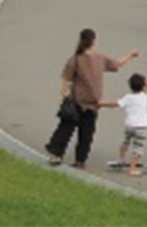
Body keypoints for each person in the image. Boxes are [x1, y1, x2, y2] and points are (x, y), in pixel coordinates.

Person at [45, 29, 139, 169]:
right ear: (93, 41)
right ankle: (80, 159)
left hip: (77, 101)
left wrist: (63, 97)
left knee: (66, 129)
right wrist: (131, 55)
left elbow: (66, 80)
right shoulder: (100, 58)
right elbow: (117, 64)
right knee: (86, 134)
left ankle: (57, 153)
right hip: (93, 103)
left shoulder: (75, 59)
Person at [100, 72, 147, 176]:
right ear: (144, 86)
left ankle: (121, 159)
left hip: (130, 125)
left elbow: (116, 104)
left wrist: (101, 104)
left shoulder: (128, 97)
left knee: (126, 142)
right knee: (138, 147)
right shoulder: (145, 97)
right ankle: (132, 168)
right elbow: (144, 88)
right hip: (142, 127)